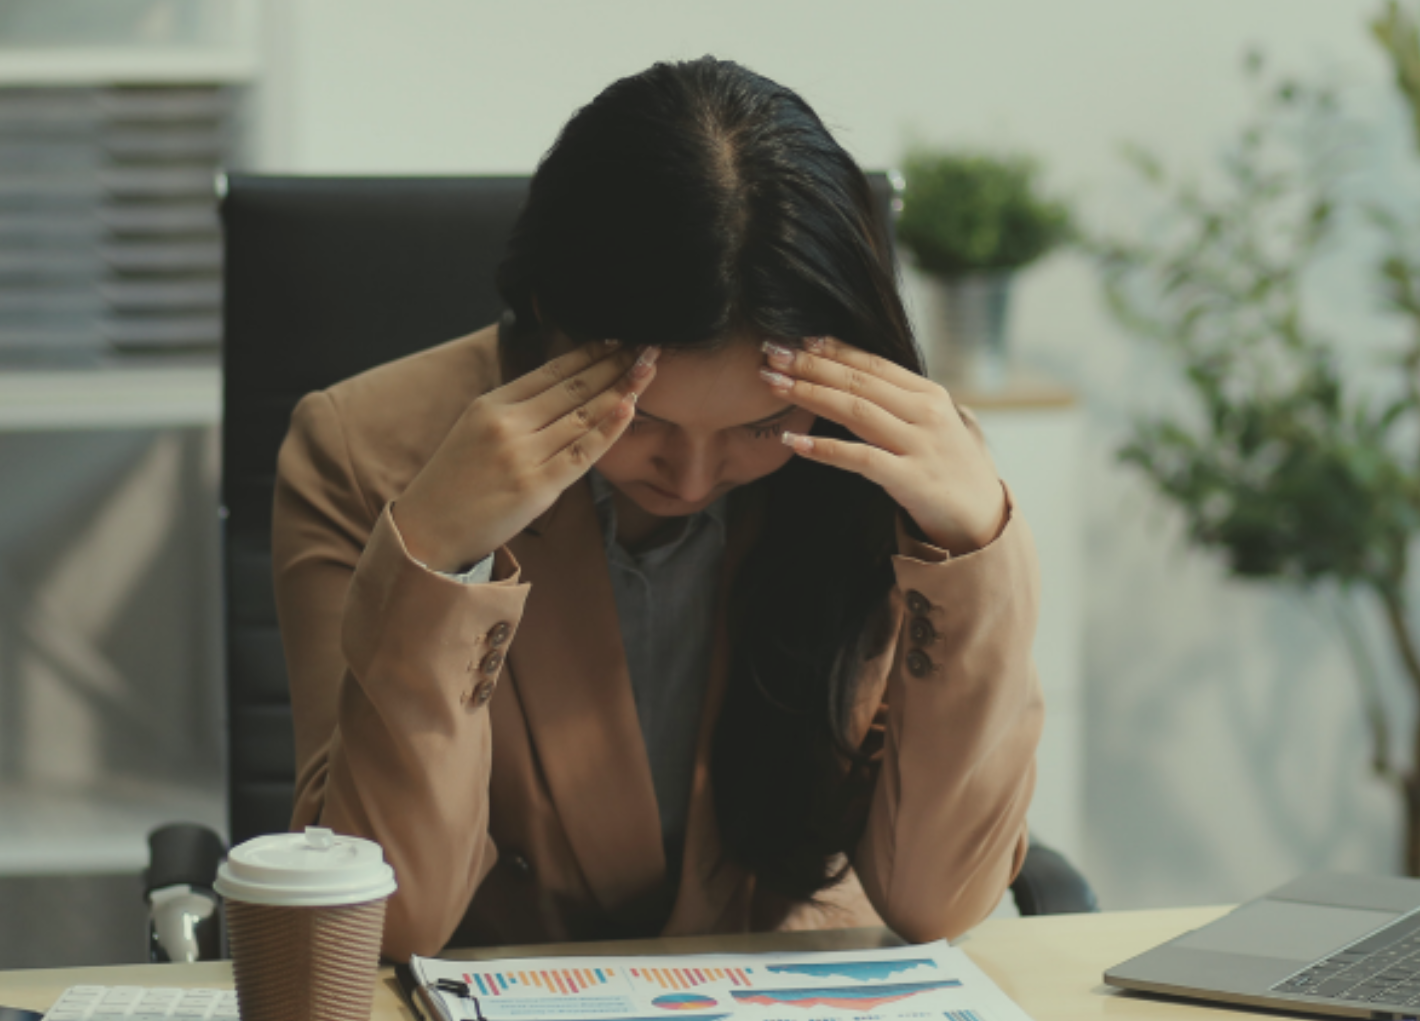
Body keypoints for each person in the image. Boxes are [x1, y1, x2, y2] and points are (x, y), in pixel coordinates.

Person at [271, 57, 1044, 962]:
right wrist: (439, 562)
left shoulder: (885, 463)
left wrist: (973, 553)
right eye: (645, 420)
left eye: (757, 427)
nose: (689, 476)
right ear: (544, 319)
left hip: (791, 1019)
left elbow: (937, 901)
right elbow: (388, 923)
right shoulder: (362, 452)